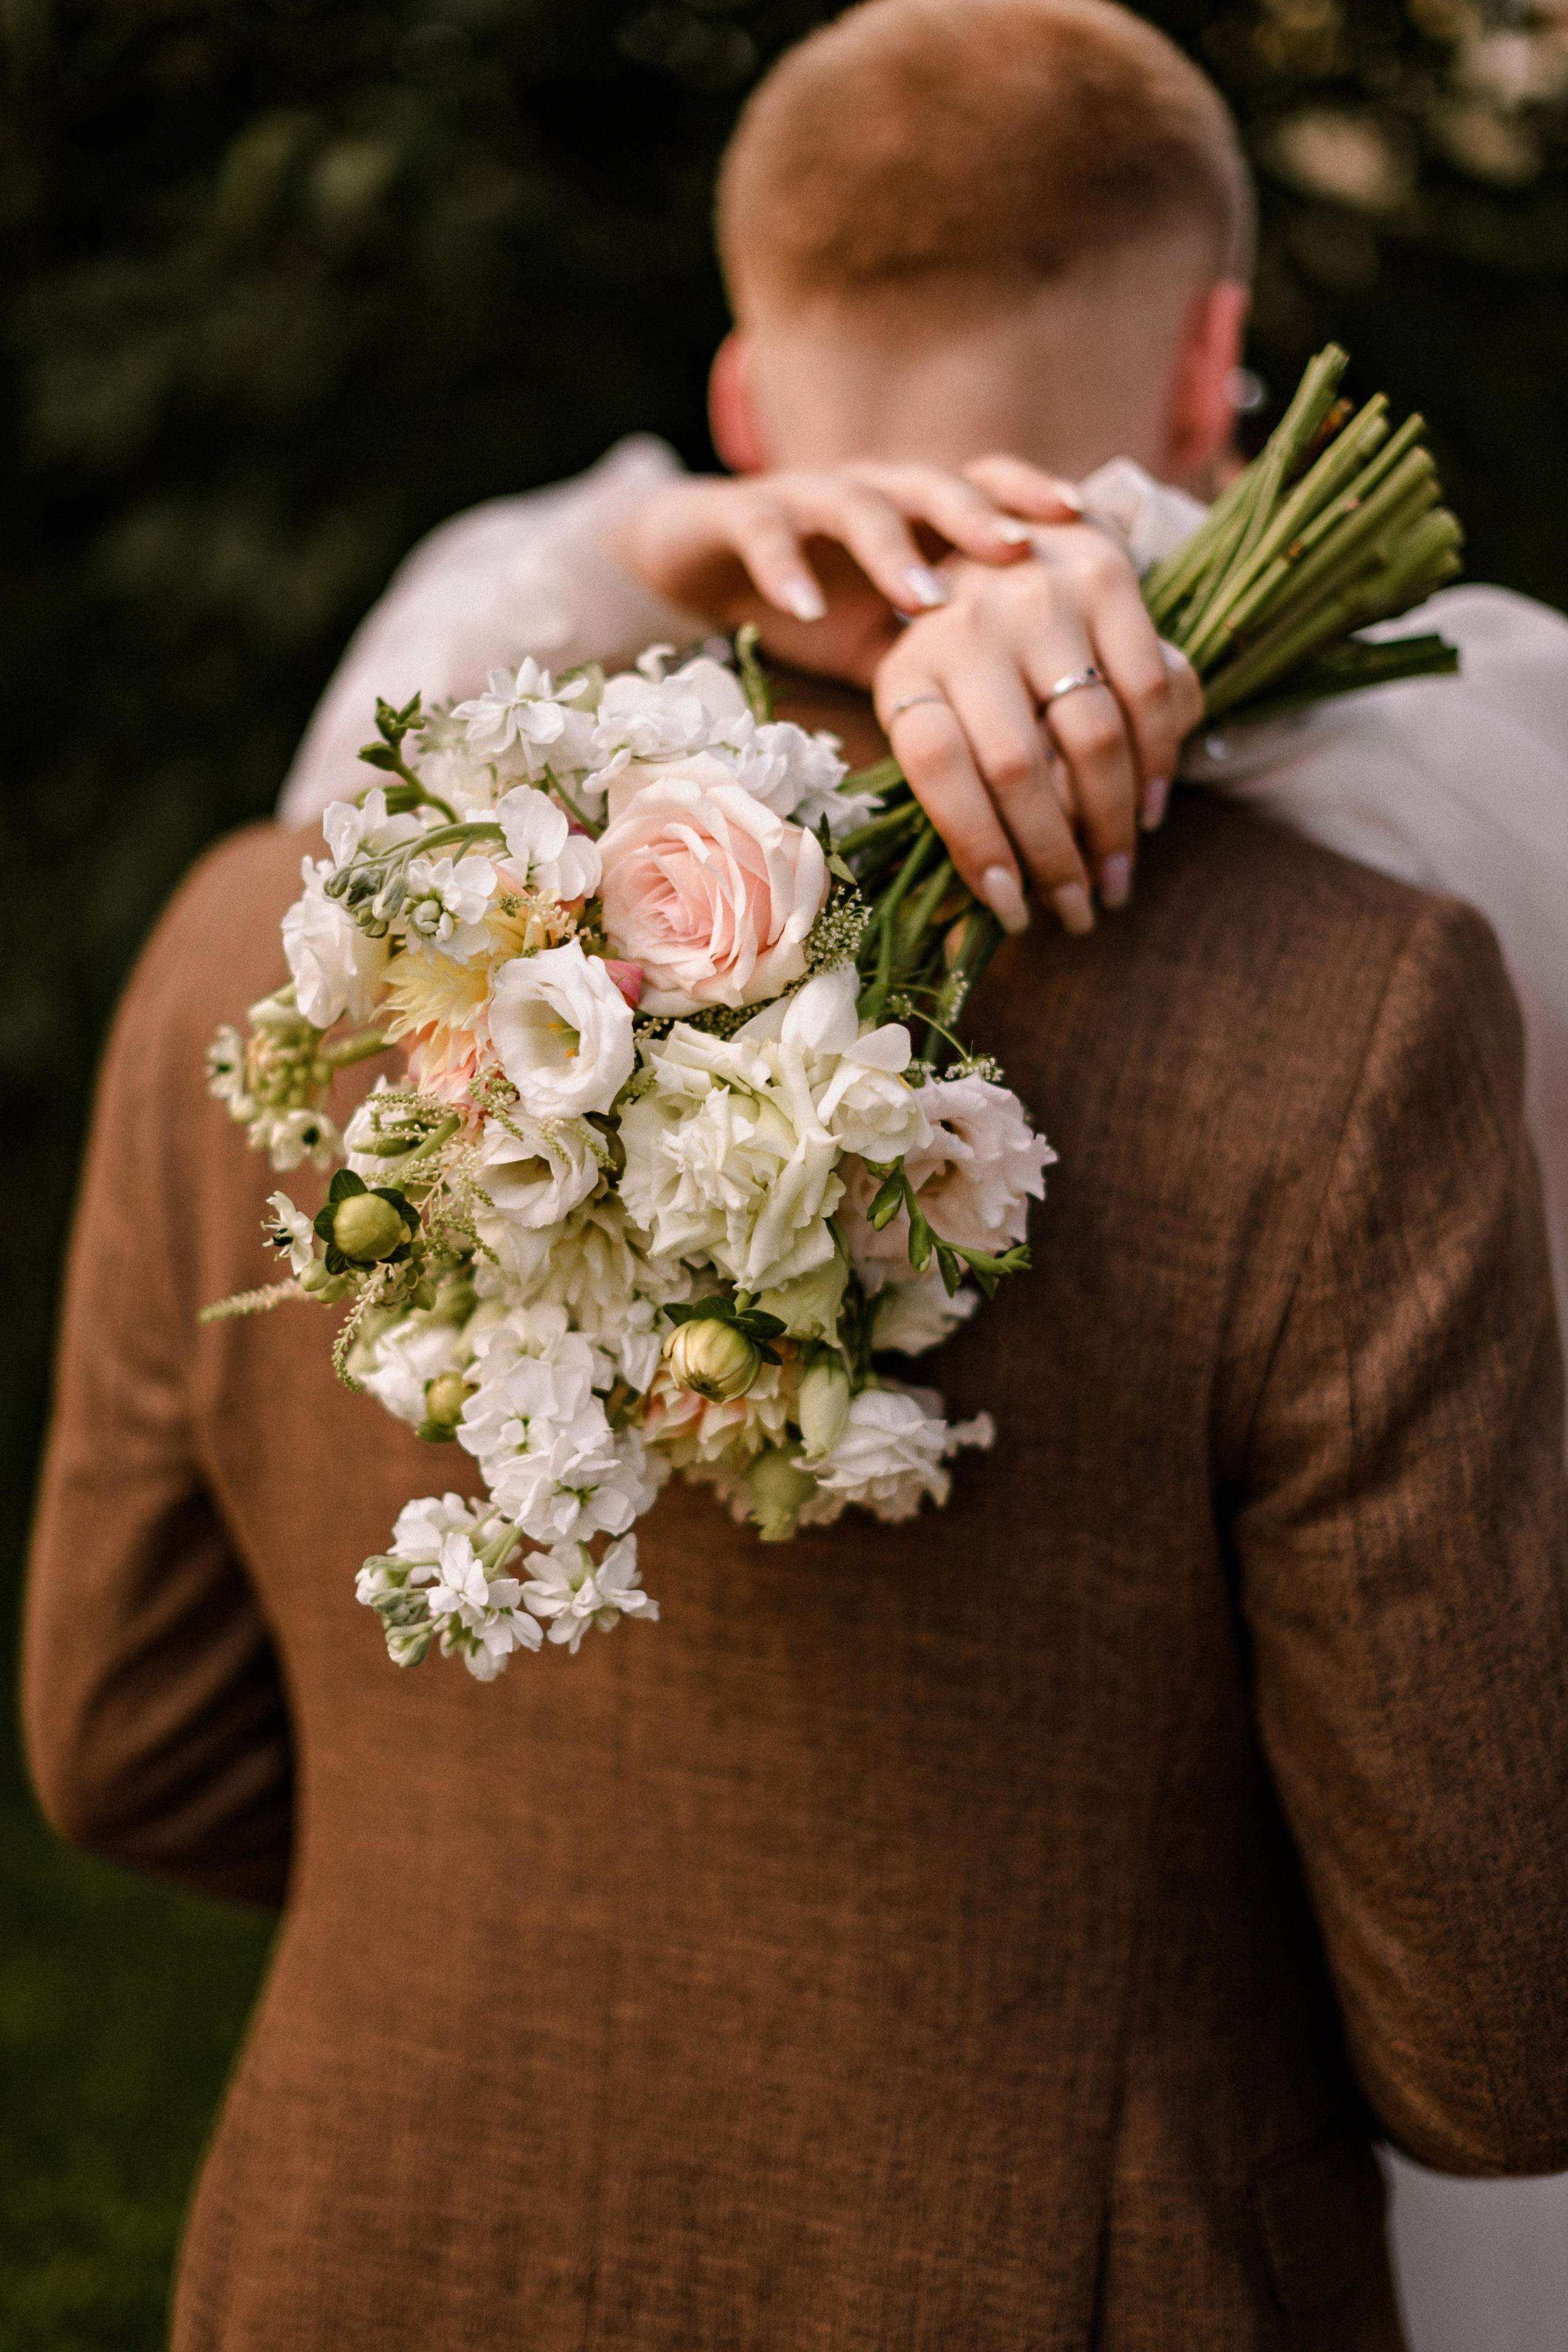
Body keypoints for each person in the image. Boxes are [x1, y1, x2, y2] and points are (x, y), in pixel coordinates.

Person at [24, 4, 1568, 2347]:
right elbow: (1492, 2023)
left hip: (361, 2259)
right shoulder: (1360, 1007)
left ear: (744, 407)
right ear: (1216, 372)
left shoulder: (285, 938)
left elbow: (127, 1741)